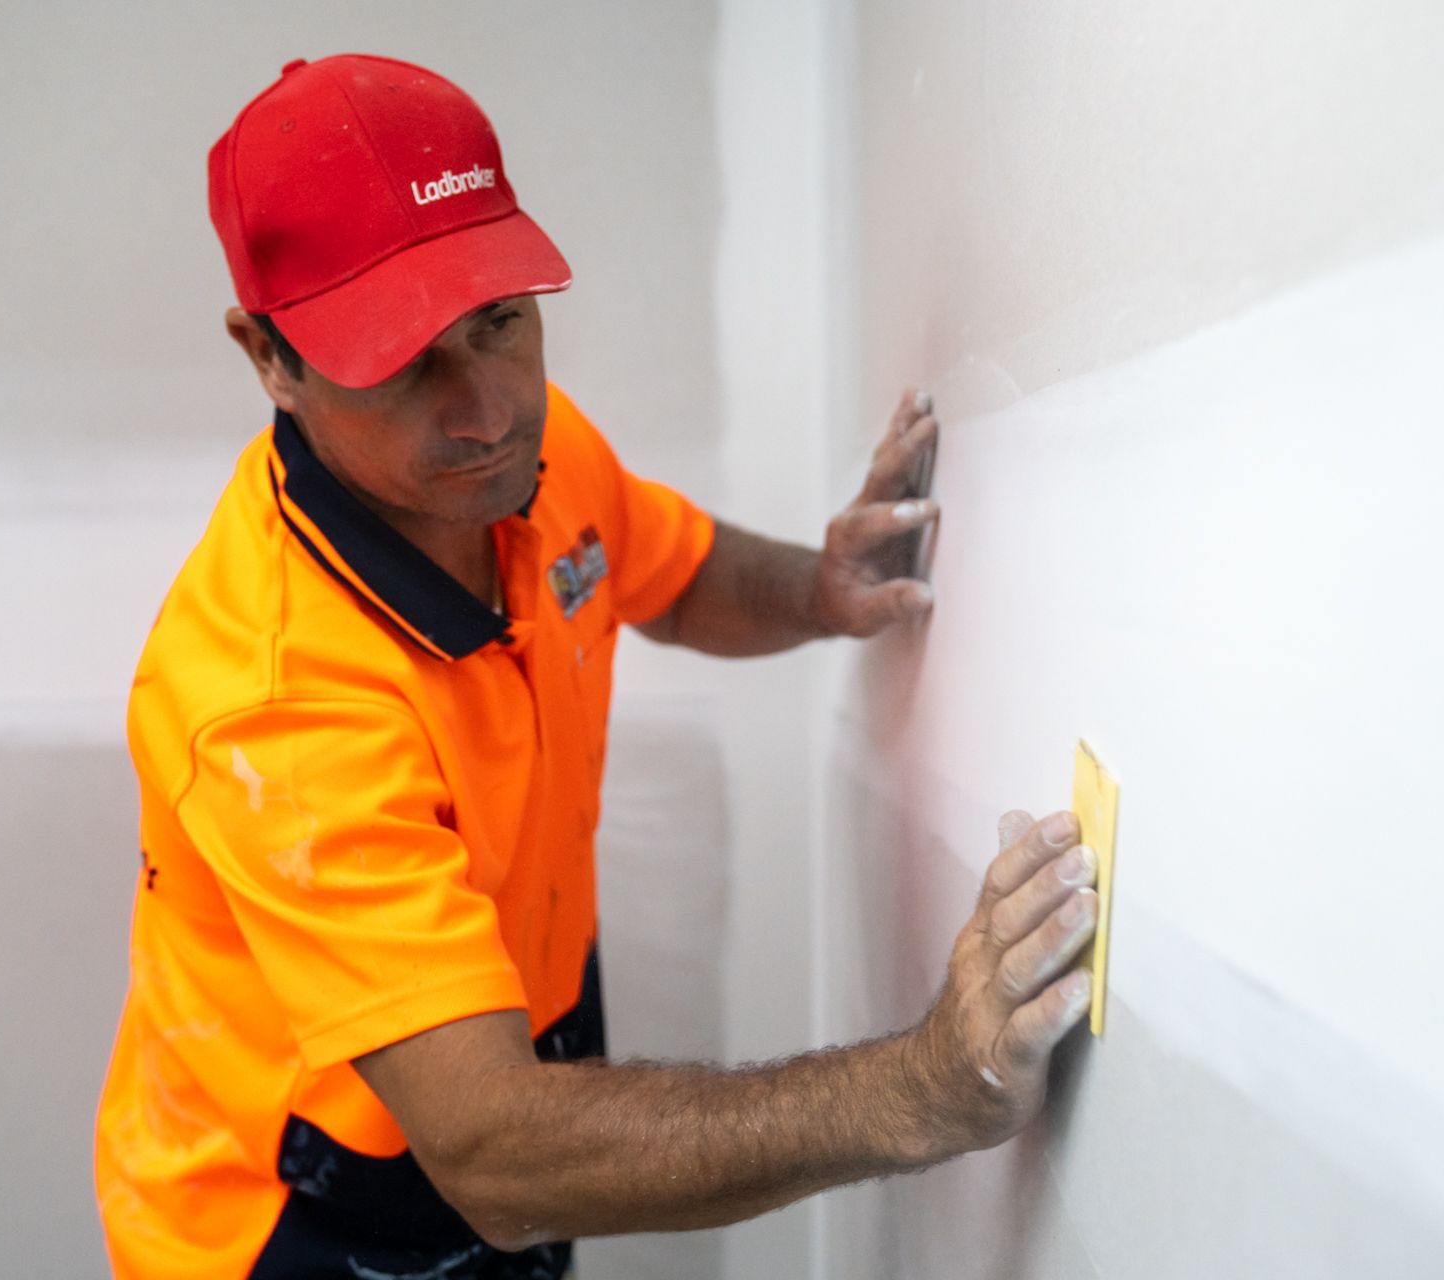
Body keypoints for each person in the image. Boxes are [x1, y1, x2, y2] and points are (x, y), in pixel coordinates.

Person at [94, 53, 1097, 1280]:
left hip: (512, 1061)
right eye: (403, 362)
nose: (485, 410)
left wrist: (820, 589)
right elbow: (499, 1152)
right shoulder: (270, 704)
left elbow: (664, 568)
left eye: (500, 322)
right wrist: (931, 1084)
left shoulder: (533, 453)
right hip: (302, 1211)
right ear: (270, 357)